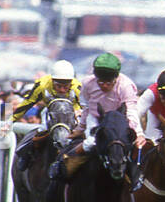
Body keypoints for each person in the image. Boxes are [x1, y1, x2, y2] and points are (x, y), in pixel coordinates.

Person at [51, 53, 140, 181]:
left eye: (108, 82)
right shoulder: (87, 83)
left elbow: (131, 112)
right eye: (100, 82)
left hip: (118, 122)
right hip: (96, 118)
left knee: (125, 144)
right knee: (92, 142)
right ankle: (66, 159)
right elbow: (86, 108)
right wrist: (80, 129)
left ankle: (135, 179)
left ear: (116, 78)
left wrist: (138, 133)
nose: (104, 85)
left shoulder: (126, 86)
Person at [9, 59, 81, 171]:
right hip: (50, 109)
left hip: (71, 110)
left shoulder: (77, 87)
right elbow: (27, 103)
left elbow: (86, 106)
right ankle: (26, 153)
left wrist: (79, 111)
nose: (62, 90)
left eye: (66, 86)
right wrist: (10, 121)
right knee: (43, 128)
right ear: (52, 81)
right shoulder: (42, 85)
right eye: (58, 86)